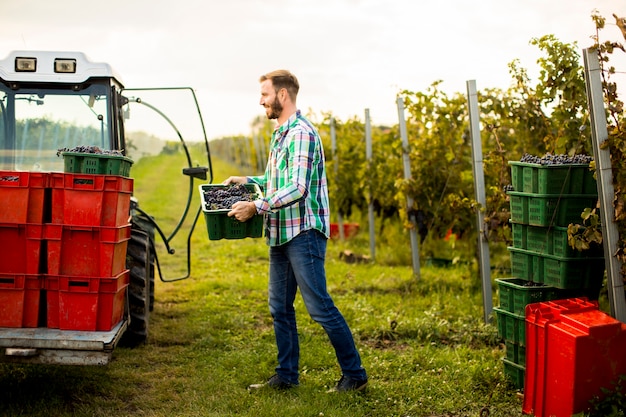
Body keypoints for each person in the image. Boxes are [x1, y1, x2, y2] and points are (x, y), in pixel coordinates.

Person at [223, 70, 368, 392]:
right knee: (279, 308)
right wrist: (247, 182)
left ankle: (355, 376)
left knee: (320, 307)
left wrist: (256, 207)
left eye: (265, 94)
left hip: (303, 232)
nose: (261, 100)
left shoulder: (301, 133)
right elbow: (278, 183)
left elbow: (298, 188)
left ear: (283, 95)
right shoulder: (281, 133)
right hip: (281, 232)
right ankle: (287, 376)